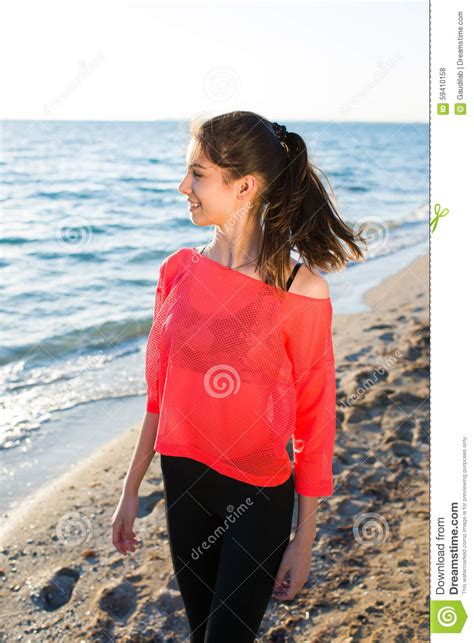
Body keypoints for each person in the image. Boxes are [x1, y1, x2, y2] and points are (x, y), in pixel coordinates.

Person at [112, 111, 366, 642]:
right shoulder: (177, 271)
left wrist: (305, 536)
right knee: (201, 629)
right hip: (183, 483)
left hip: (257, 497)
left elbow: (315, 419)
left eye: (198, 174)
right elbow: (159, 393)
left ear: (244, 186)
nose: (184, 186)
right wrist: (132, 485)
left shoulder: (302, 291)